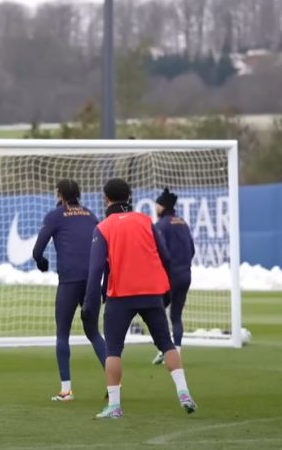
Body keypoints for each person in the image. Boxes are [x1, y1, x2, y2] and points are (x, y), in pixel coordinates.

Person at [82, 178, 197, 419]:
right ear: (129, 196)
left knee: (113, 349)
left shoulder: (103, 227)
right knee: (166, 343)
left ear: (106, 198)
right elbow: (165, 256)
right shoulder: (146, 222)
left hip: (120, 295)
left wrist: (91, 303)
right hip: (152, 292)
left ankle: (114, 406)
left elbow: (95, 272)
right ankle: (184, 392)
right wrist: (163, 289)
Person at [32, 179, 107, 401]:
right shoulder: (91, 214)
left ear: (60, 194)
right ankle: (115, 382)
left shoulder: (55, 216)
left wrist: (41, 263)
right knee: (93, 332)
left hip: (70, 281)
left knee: (62, 333)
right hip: (92, 279)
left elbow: (38, 250)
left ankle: (66, 390)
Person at [151, 188, 196, 365]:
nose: (155, 207)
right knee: (176, 316)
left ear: (162, 206)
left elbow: (158, 253)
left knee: (157, 313)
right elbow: (191, 249)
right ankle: (175, 351)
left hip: (169, 278)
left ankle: (165, 350)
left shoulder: (160, 226)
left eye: (157, 204)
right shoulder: (183, 223)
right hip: (185, 275)